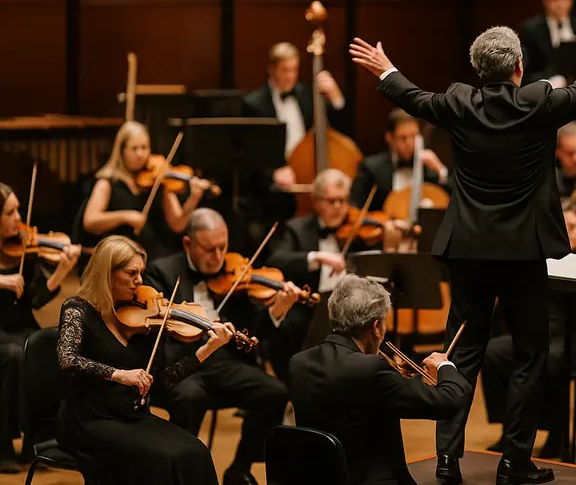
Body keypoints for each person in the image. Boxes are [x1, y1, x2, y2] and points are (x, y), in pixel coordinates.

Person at [350, 0, 576, 485]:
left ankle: (445, 459)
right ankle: (515, 463)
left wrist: (386, 68)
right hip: (524, 254)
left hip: (469, 252)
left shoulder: (458, 102)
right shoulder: (540, 102)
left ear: (477, 70)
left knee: (460, 352)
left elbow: (412, 97)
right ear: (520, 67)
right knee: (528, 355)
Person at [56, 235, 234, 485]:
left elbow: (161, 381)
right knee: (163, 458)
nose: (139, 281)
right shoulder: (77, 309)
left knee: (196, 451)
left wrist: (206, 350)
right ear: (107, 272)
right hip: (88, 420)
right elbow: (68, 360)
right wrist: (118, 374)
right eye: (131, 273)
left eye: (141, 272)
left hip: (132, 416)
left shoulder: (142, 323)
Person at [144, 209, 297, 485]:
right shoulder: (161, 273)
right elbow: (153, 331)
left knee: (275, 392)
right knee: (191, 398)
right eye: (209, 249)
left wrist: (277, 311)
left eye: (223, 247)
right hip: (183, 365)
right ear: (188, 244)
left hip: (225, 363)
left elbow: (253, 335)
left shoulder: (236, 273)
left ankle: (239, 468)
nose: (218, 257)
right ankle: (180, 475)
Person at [289, 275, 470, 485]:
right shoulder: (372, 370)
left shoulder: (299, 363)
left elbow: (349, 397)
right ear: (376, 327)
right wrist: (444, 366)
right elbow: (449, 401)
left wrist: (392, 379)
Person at [480, 206, 576, 459]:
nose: (566, 232)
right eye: (561, 226)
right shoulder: (541, 256)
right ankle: (511, 429)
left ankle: (557, 434)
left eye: (573, 227)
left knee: (552, 359)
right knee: (493, 353)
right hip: (539, 332)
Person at [267, 168, 392, 383]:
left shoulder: (359, 230)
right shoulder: (295, 229)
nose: (339, 207)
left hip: (353, 309)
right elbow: (276, 259)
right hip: (310, 307)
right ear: (316, 201)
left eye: (343, 201)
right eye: (331, 201)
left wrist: (391, 236)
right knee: (287, 327)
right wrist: (317, 257)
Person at [0, 183, 80, 472]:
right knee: (12, 355)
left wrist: (61, 271)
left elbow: (34, 299)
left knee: (49, 347)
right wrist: (2, 280)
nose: (18, 218)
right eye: (10, 212)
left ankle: (37, 440)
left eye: (18, 210)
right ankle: (3, 445)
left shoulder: (23, 248)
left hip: (20, 325)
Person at [240, 42, 350, 225]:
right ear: (271, 69)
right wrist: (273, 174)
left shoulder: (307, 95)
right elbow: (248, 151)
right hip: (273, 188)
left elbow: (336, 131)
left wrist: (335, 98)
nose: (290, 76)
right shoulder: (254, 105)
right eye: (284, 70)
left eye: (294, 70)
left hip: (309, 176)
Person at [81, 121, 211, 260]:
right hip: (119, 256)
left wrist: (193, 199)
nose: (140, 154)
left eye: (144, 147)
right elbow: (90, 221)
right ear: (121, 151)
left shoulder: (159, 179)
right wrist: (125, 216)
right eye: (134, 148)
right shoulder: (107, 183)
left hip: (154, 255)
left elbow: (177, 224)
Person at [349, 108, 450, 211]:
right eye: (403, 138)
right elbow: (355, 209)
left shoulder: (429, 168)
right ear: (389, 138)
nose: (410, 143)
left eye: (414, 136)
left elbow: (453, 204)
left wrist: (441, 170)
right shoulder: (371, 169)